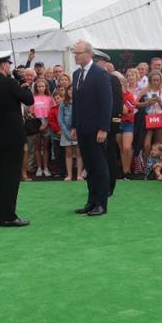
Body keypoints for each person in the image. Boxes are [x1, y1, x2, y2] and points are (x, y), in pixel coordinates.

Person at [0, 51, 34, 227]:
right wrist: (24, 83)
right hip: (13, 138)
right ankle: (9, 216)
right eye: (8, 65)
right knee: (11, 177)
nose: (10, 68)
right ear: (4, 66)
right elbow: (28, 99)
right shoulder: (10, 83)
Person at [70, 40, 112, 217]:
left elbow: (106, 102)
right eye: (75, 53)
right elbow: (76, 103)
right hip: (82, 128)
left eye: (78, 53)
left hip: (96, 129)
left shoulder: (100, 74)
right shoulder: (76, 74)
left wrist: (103, 128)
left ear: (89, 54)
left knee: (99, 166)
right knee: (89, 165)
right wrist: (74, 125)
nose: (75, 56)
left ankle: (101, 203)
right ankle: (91, 201)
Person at [95, 53, 123, 196]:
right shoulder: (90, 79)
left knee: (109, 154)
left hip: (109, 125)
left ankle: (109, 185)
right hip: (94, 124)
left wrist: (113, 123)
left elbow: (117, 103)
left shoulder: (112, 79)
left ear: (104, 63)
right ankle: (97, 184)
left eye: (97, 61)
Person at [136, 70, 162, 168]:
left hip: (161, 120)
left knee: (158, 146)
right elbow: (136, 103)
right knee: (146, 145)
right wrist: (147, 103)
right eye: (153, 80)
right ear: (150, 80)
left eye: (157, 80)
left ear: (161, 80)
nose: (155, 82)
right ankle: (148, 167)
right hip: (148, 120)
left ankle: (158, 168)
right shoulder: (145, 90)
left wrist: (160, 103)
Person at [59, 88, 83, 181]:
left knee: (79, 153)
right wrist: (67, 133)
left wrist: (77, 131)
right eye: (69, 90)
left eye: (73, 90)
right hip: (66, 132)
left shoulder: (81, 103)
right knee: (68, 154)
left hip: (78, 132)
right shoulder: (63, 104)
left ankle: (79, 175)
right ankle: (69, 175)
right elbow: (60, 120)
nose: (71, 92)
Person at [31, 78, 52, 178]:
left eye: (42, 86)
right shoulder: (33, 98)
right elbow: (31, 112)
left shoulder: (49, 98)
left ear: (45, 87)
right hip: (36, 124)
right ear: (36, 87)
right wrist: (38, 125)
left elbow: (51, 113)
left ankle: (46, 168)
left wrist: (46, 124)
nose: (41, 88)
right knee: (37, 147)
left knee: (46, 147)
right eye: (39, 86)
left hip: (46, 123)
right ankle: (39, 168)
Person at [119, 70, 137, 179]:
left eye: (121, 85)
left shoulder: (129, 96)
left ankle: (127, 170)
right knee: (121, 148)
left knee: (127, 147)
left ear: (125, 85)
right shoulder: (114, 96)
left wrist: (119, 99)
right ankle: (125, 171)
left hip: (128, 123)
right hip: (117, 122)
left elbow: (125, 111)